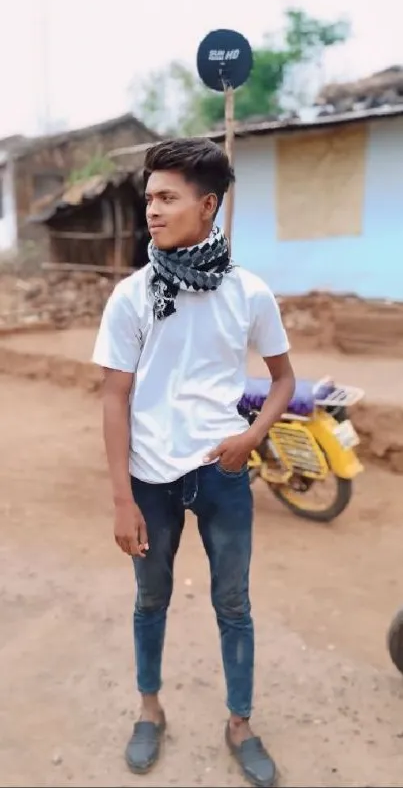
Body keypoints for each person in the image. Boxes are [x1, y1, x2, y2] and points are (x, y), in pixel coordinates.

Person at [92, 137, 295, 787]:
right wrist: (122, 498)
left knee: (232, 602)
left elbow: (283, 378)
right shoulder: (131, 295)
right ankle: (149, 708)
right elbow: (114, 396)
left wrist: (252, 434)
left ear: (207, 205)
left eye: (167, 197)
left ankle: (239, 721)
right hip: (150, 477)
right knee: (149, 599)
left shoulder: (248, 292)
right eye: (149, 197)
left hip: (223, 472)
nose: (151, 209)